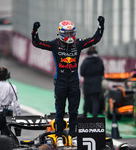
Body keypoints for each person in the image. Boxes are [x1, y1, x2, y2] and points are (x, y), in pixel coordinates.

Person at [31, 16, 105, 147]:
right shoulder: (54, 44)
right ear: (61, 33)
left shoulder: (78, 43)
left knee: (74, 111)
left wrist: (101, 25)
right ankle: (59, 135)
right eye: (67, 33)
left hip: (73, 82)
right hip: (60, 81)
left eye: (72, 33)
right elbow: (37, 43)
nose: (70, 35)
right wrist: (35, 31)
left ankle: (73, 135)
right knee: (60, 110)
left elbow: (95, 39)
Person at [80, 46, 104, 118]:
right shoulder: (99, 61)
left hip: (87, 83)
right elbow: (102, 72)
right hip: (97, 84)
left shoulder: (86, 61)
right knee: (95, 101)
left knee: (86, 100)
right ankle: (94, 117)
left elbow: (82, 72)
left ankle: (84, 115)